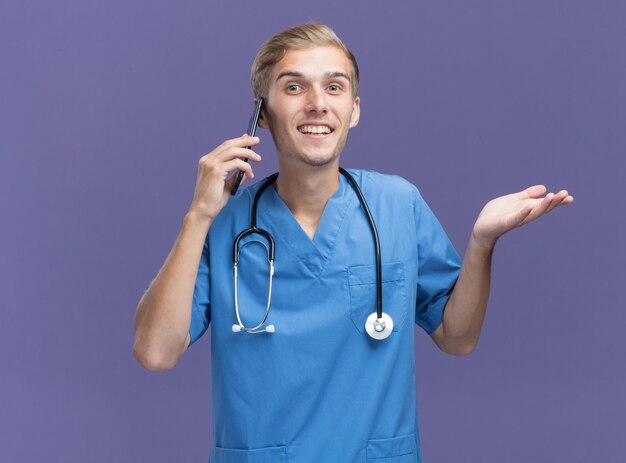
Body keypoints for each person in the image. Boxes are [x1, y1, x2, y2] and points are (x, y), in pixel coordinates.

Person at [133, 22, 573, 463]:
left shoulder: (397, 205)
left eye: (335, 87)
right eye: (293, 87)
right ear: (261, 114)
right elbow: (155, 352)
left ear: (355, 109)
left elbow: (457, 337)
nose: (318, 104)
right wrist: (198, 216)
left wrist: (482, 242)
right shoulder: (225, 223)